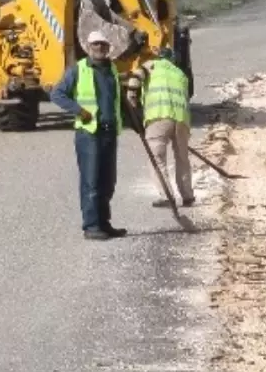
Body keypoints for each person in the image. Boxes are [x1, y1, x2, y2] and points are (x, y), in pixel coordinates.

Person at [48, 31, 128, 240]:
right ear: (88, 47)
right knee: (91, 181)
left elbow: (118, 101)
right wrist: (78, 110)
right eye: (95, 45)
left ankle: (104, 223)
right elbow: (57, 94)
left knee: (107, 181)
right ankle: (91, 226)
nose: (99, 48)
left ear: (108, 47)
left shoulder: (111, 69)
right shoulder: (78, 70)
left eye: (102, 45)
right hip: (89, 134)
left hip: (109, 132)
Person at [125, 48, 195, 208]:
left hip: (159, 117)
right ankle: (187, 195)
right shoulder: (180, 74)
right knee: (182, 158)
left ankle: (166, 195)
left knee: (157, 158)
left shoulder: (151, 65)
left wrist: (132, 102)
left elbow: (134, 80)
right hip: (181, 119)